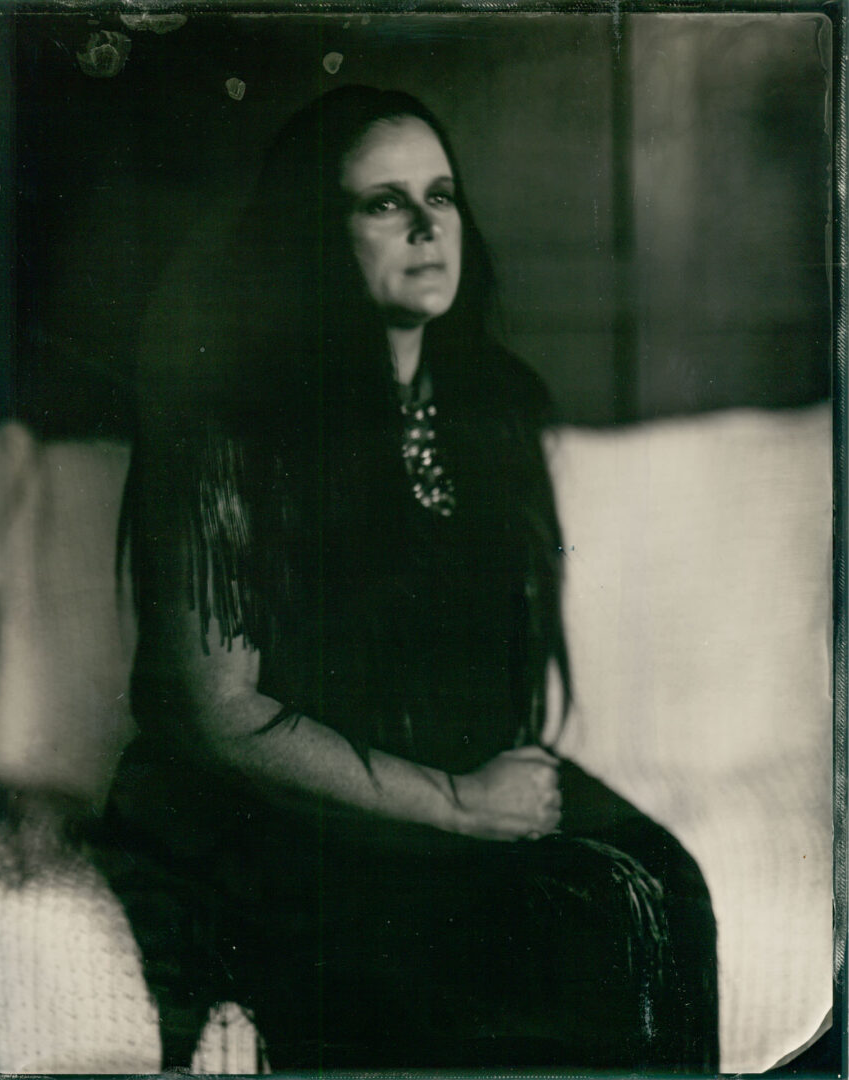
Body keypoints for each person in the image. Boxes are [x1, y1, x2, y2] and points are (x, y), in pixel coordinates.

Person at [92, 85, 719, 1071]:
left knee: (658, 885)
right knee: (537, 936)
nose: (429, 227)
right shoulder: (229, 431)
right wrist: (463, 807)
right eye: (384, 203)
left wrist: (490, 786)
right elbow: (219, 718)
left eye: (443, 195)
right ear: (314, 235)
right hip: (263, 807)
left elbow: (488, 668)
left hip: (442, 763)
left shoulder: (494, 404)